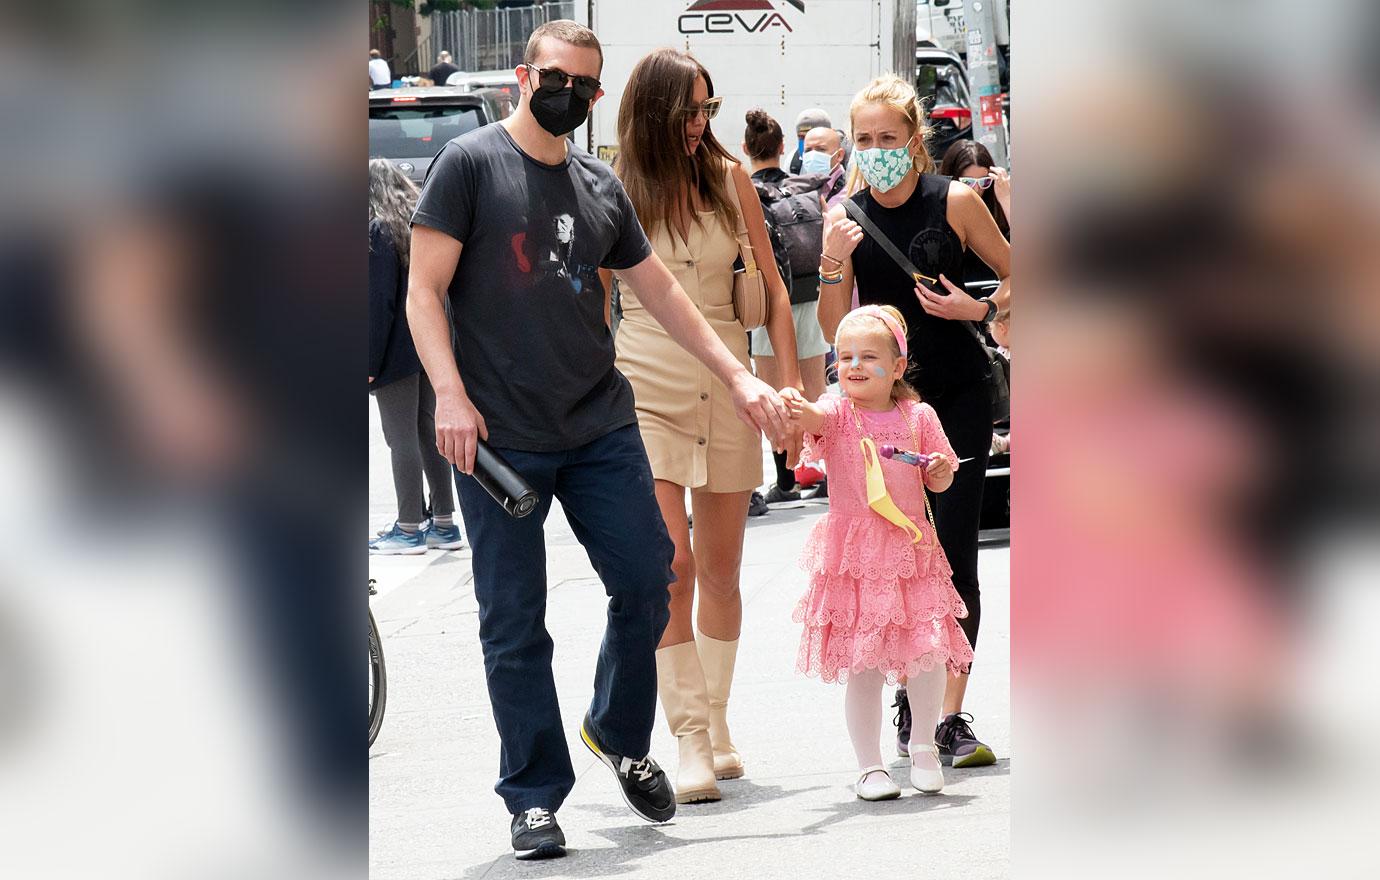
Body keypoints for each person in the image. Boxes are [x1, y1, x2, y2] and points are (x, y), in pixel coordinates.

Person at [405, 21, 792, 862]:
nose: (572, 96)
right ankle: (535, 798)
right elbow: (424, 293)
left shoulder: (598, 183)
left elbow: (663, 296)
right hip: (497, 436)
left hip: (598, 425)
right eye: (559, 79)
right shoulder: (468, 165)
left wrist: (740, 377)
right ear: (522, 74)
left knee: (649, 580)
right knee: (515, 620)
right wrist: (449, 397)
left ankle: (616, 733)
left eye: (588, 85)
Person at [605, 49, 801, 806]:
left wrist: (788, 389)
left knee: (721, 568)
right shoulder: (615, 186)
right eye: (689, 111)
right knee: (669, 565)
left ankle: (717, 725)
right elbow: (595, 302)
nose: (700, 124)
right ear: (653, 113)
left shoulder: (730, 181)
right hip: (642, 380)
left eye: (709, 109)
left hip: (732, 380)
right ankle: (684, 735)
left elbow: (777, 294)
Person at [818, 74, 1011, 769]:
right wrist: (831, 260)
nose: (877, 151)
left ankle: (948, 717)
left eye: (889, 139)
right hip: (882, 411)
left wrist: (980, 310)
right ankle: (910, 698)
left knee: (954, 552)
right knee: (893, 557)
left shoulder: (954, 200)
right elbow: (834, 326)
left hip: (955, 396)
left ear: (914, 140)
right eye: (864, 141)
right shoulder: (846, 213)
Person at [785, 305, 973, 800]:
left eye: (869, 356)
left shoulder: (918, 415)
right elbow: (811, 416)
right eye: (844, 357)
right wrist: (791, 403)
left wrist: (936, 471)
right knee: (863, 662)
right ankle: (870, 766)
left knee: (928, 653)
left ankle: (925, 746)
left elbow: (945, 471)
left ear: (897, 367)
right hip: (858, 557)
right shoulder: (838, 414)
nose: (854, 366)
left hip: (911, 553)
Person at [368, 158, 463, 554]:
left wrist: (368, 362)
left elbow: (378, 304)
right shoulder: (413, 227)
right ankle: (443, 520)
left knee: (400, 437)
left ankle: (409, 527)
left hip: (394, 352)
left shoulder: (376, 232)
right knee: (427, 433)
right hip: (427, 345)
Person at [742, 109, 830, 504]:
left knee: (775, 394)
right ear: (782, 148)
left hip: (766, 304)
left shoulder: (745, 191)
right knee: (815, 388)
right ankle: (831, 470)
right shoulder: (806, 187)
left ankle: (786, 481)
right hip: (811, 296)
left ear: (746, 148)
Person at [938, 140, 1011, 287]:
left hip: (1000, 294)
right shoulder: (940, 206)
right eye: (968, 182)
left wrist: (1006, 200)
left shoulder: (998, 203)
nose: (977, 189)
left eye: (984, 182)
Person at [801, 125, 849, 207]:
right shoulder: (801, 189)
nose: (813, 156)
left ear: (839, 155)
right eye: (808, 150)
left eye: (821, 149)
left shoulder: (851, 189)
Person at [787, 107, 831, 174]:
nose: (807, 143)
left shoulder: (844, 160)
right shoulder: (793, 162)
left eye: (813, 137)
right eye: (802, 137)